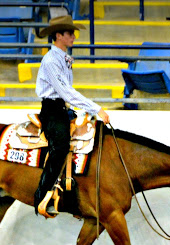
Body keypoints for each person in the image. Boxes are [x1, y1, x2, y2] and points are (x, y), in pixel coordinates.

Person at [34, 15, 110, 217]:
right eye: (69, 33)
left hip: (61, 107)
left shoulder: (62, 59)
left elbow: (67, 93)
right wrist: (96, 108)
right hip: (52, 110)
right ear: (58, 36)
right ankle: (42, 196)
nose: (74, 36)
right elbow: (66, 92)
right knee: (60, 146)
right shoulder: (51, 61)